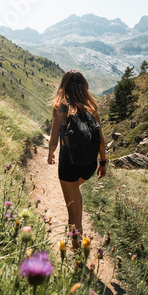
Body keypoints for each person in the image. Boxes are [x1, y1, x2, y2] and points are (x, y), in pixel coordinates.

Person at [47, 70, 107, 246]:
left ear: (63, 86)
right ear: (84, 86)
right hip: (89, 164)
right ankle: (77, 241)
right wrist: (103, 163)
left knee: (73, 214)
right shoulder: (91, 106)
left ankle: (76, 249)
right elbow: (101, 138)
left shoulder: (60, 106)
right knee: (75, 190)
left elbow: (54, 136)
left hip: (69, 164)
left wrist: (51, 154)